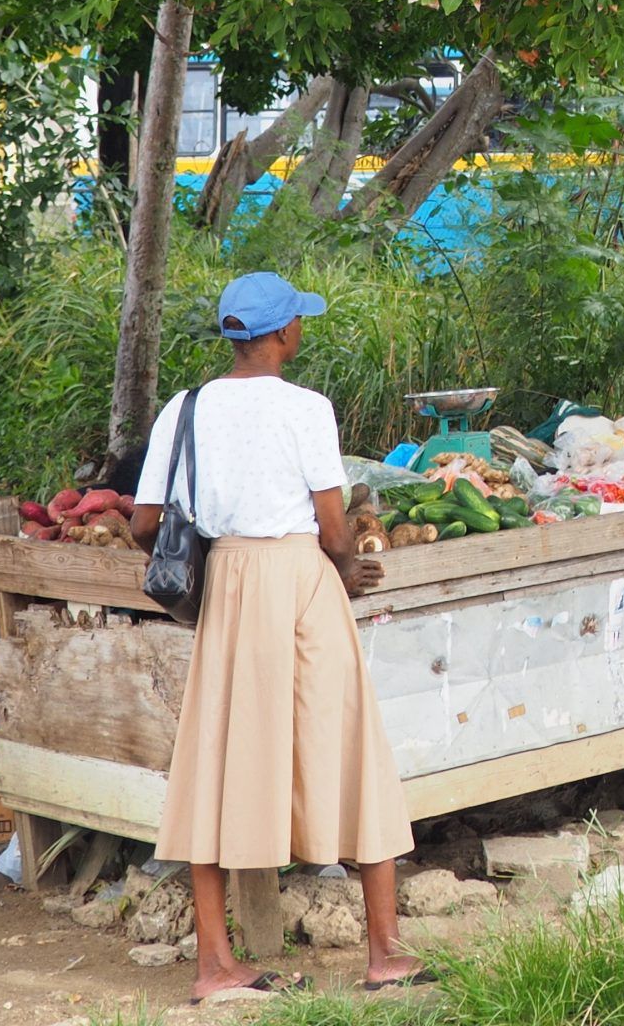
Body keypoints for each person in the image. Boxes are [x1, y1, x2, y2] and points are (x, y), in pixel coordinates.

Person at [131, 272, 419, 1002]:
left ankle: (214, 968)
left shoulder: (185, 408)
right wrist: (350, 568)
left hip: (227, 585)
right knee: (351, 751)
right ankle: (385, 952)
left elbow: (143, 525)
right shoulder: (306, 409)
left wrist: (219, 560)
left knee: (218, 763)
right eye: (297, 322)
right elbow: (330, 527)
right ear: (283, 333)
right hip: (299, 582)